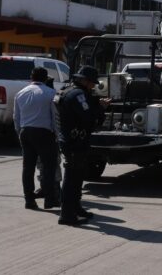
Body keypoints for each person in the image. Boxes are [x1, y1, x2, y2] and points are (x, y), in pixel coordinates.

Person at [54, 66, 108, 226]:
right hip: (75, 141)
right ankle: (67, 215)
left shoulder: (66, 90)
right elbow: (88, 117)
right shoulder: (78, 95)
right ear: (84, 80)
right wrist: (101, 109)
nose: (93, 86)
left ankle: (75, 208)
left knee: (77, 177)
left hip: (69, 138)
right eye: (92, 83)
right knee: (72, 179)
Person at [14, 67, 59, 210]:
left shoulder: (20, 93)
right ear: (46, 79)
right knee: (49, 167)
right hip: (44, 133)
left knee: (28, 168)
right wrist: (57, 135)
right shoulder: (51, 93)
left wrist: (20, 133)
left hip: (25, 132)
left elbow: (16, 118)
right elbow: (55, 117)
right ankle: (49, 200)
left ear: (31, 77)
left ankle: (29, 200)